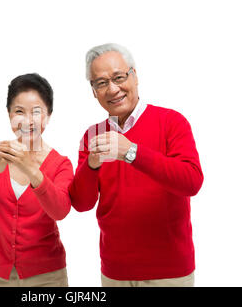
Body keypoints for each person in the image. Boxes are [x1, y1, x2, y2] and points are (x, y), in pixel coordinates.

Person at [69, 43, 204, 287]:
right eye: (101, 83)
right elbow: (81, 203)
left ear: (135, 76)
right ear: (93, 91)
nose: (112, 89)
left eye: (118, 77)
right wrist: (91, 165)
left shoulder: (171, 121)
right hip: (115, 273)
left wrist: (131, 152)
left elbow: (191, 182)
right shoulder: (92, 136)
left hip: (169, 272)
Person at [0, 73, 73, 287]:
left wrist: (31, 169)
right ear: (9, 114)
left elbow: (60, 211)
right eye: (19, 112)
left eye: (37, 112)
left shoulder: (60, 164)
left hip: (47, 276)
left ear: (48, 116)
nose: (27, 121)